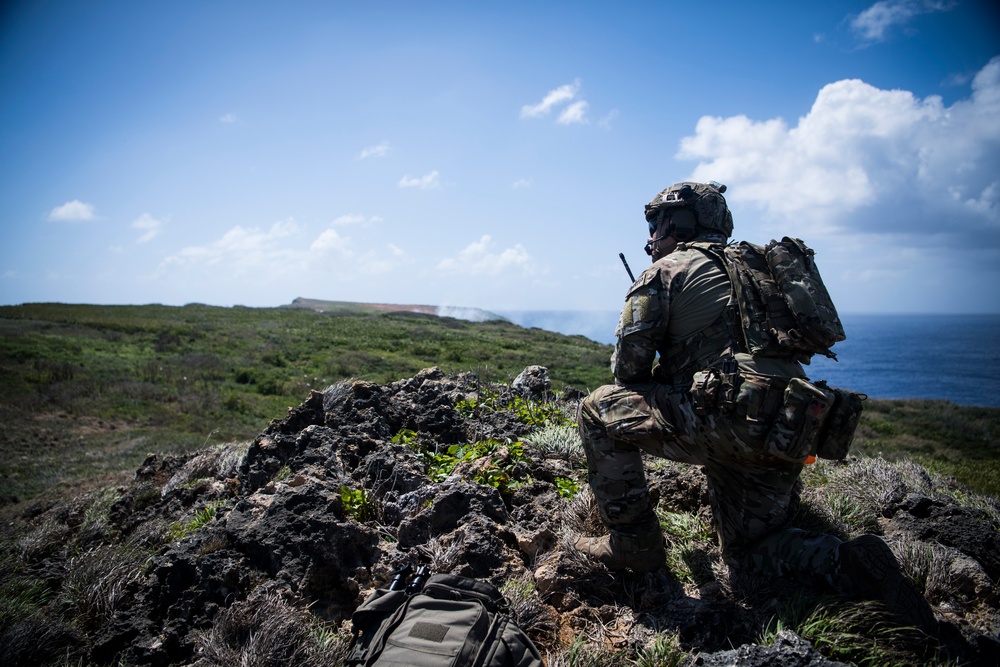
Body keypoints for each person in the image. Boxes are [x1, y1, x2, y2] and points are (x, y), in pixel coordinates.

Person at [575, 181, 936, 631]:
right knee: (750, 553)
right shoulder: (759, 268)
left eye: (655, 222)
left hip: (724, 421)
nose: (650, 235)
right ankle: (846, 561)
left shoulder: (664, 272)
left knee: (596, 409)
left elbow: (629, 372)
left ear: (676, 221)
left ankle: (634, 548)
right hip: (789, 423)